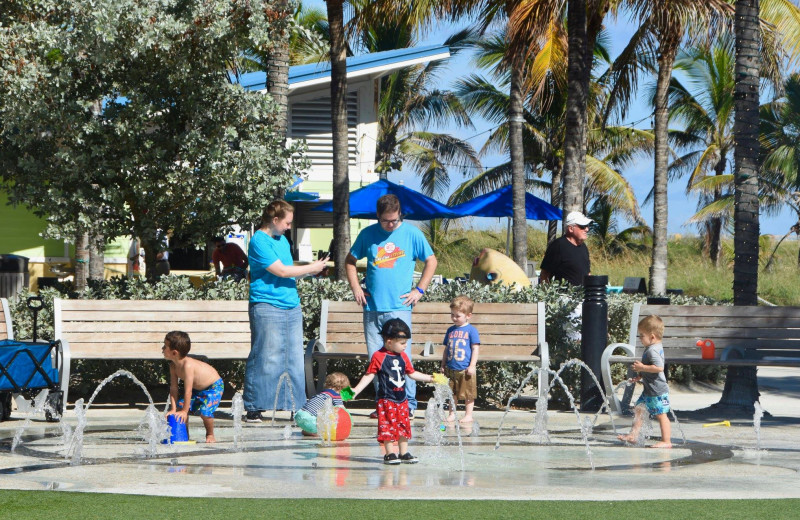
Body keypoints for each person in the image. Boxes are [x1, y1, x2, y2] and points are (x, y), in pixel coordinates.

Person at [346, 194, 437, 417]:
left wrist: (419, 290)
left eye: (394, 220)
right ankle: (384, 404)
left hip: (399, 308)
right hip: (373, 309)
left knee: (401, 359)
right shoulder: (368, 234)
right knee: (377, 360)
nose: (390, 225)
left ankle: (409, 406)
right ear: (378, 216)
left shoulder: (412, 233)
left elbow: (431, 261)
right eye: (386, 220)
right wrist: (356, 287)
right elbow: (350, 260)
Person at [244, 200, 328, 423]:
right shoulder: (258, 241)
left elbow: (289, 272)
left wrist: (311, 271)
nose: (289, 227)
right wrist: (312, 267)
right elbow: (280, 271)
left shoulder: (281, 240)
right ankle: (254, 406)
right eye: (287, 222)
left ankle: (294, 404)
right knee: (265, 356)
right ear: (275, 220)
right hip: (267, 304)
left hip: (291, 305)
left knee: (293, 358)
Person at [349, 318, 436, 465]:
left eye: (406, 342)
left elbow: (412, 373)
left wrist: (430, 378)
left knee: (404, 425)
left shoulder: (403, 356)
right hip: (386, 399)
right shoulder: (378, 356)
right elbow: (369, 375)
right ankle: (389, 453)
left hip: (402, 399)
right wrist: (356, 390)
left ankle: (404, 452)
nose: (405, 346)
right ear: (389, 341)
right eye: (402, 343)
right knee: (387, 426)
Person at [617, 315, 672, 449]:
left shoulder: (653, 351)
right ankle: (634, 435)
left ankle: (666, 441)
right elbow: (651, 367)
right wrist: (641, 375)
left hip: (657, 391)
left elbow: (659, 367)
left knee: (661, 415)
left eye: (642, 336)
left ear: (652, 336)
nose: (640, 338)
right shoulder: (654, 347)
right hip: (649, 390)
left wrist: (642, 367)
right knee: (639, 409)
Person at [162, 331, 223, 443]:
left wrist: (185, 411)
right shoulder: (173, 366)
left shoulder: (188, 366)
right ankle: (184, 434)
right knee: (180, 406)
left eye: (165, 346)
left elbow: (188, 391)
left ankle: (210, 434)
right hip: (198, 389)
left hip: (214, 387)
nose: (162, 349)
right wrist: (174, 409)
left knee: (205, 412)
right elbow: (174, 388)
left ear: (174, 353)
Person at [440, 295, 480, 424]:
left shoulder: (471, 331)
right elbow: (446, 349)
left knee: (469, 393)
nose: (454, 318)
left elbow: (475, 349)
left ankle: (469, 415)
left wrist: (472, 365)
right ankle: (452, 413)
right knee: (452, 393)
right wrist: (443, 364)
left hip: (465, 368)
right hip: (451, 367)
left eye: (458, 316)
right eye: (452, 315)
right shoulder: (450, 330)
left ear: (468, 315)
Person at [539, 211, 593, 286]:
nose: (586, 229)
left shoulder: (583, 247)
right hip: (564, 296)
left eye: (587, 226)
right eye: (582, 226)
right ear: (571, 229)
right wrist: (546, 294)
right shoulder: (558, 246)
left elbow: (587, 273)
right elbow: (545, 274)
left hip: (583, 295)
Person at [294, 372, 351, 436]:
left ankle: (307, 430)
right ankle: (314, 432)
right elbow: (342, 409)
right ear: (341, 388)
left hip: (299, 415)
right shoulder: (335, 395)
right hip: (309, 418)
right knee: (325, 431)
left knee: (320, 420)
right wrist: (349, 418)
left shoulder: (323, 393)